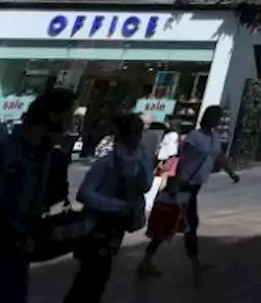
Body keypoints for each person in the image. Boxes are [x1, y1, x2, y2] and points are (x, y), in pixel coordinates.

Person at [136, 106, 240, 282]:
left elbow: (219, 156)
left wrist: (231, 172)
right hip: (184, 185)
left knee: (184, 225)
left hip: (195, 186)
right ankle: (190, 263)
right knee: (180, 224)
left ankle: (183, 262)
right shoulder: (195, 137)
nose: (218, 121)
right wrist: (173, 184)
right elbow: (182, 160)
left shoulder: (213, 138)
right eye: (216, 117)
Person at [63, 114, 151, 303]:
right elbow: (84, 194)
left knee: (96, 278)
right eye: (133, 133)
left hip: (116, 226)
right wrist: (117, 205)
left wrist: (144, 167)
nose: (136, 138)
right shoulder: (106, 162)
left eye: (138, 133)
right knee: (92, 277)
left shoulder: (138, 161)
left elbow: (144, 187)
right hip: (96, 225)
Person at [0, 88, 76, 303]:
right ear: (53, 116)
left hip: (20, 241)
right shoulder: (8, 149)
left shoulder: (47, 154)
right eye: (68, 114)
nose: (71, 120)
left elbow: (41, 198)